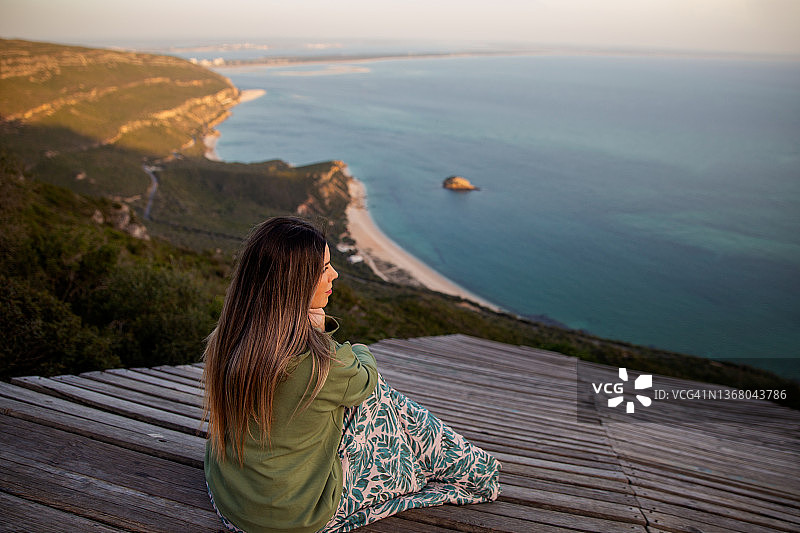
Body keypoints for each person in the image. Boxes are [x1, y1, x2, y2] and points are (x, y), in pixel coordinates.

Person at [203, 216, 500, 533]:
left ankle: (448, 461)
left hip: (231, 500)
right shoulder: (319, 365)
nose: (335, 274)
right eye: (323, 269)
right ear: (294, 284)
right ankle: (470, 467)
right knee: (375, 395)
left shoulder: (228, 338)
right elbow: (365, 378)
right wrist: (348, 344)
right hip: (292, 518)